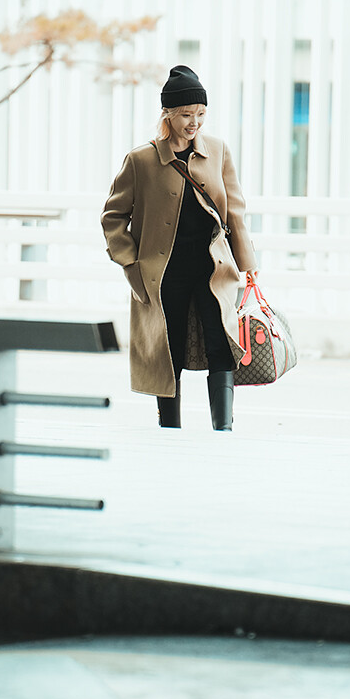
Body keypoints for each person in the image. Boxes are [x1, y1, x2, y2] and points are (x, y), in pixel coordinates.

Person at [101, 65, 258, 431]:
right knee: (165, 349)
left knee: (221, 341)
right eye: (186, 115)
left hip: (212, 267)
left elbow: (234, 208)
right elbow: (113, 217)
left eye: (201, 114)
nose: (195, 123)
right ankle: (169, 428)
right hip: (163, 272)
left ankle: (224, 428)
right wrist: (132, 263)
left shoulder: (218, 151)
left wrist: (247, 261)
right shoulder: (141, 160)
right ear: (168, 115)